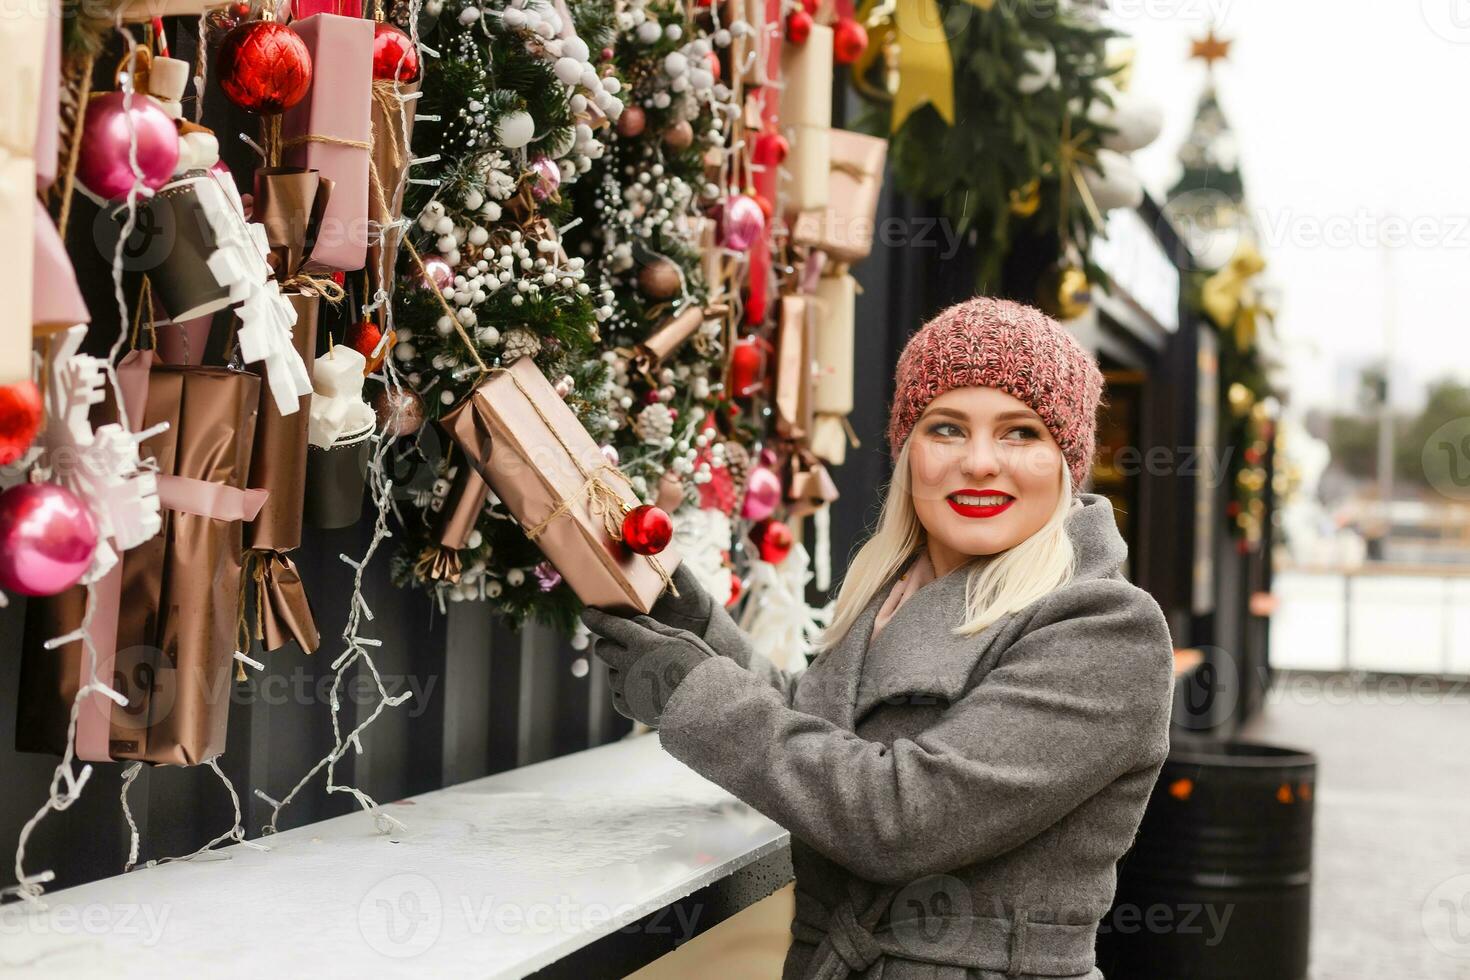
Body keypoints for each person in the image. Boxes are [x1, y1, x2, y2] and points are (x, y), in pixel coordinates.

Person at [582, 297, 1177, 980]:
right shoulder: (893, 589)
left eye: (1021, 433)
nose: (980, 462)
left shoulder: (1105, 628)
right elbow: (819, 730)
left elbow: (903, 817)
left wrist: (692, 691)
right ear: (907, 450)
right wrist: (696, 627)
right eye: (947, 427)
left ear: (1067, 459)